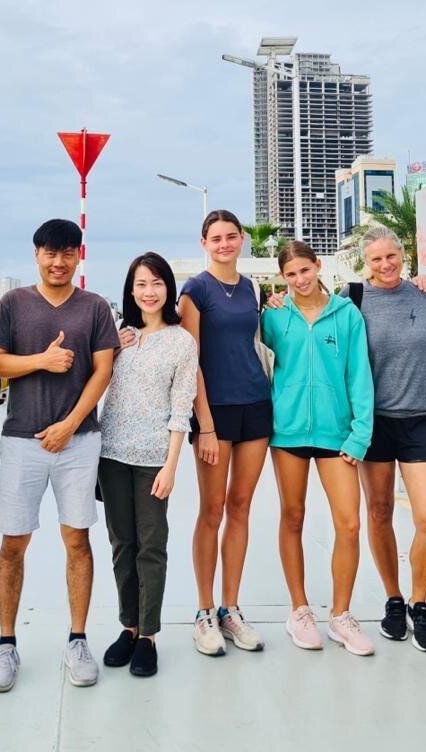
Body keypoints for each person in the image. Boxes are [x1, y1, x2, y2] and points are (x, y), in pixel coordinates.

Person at [0, 219, 120, 690]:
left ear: (78, 256)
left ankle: (77, 639)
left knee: (77, 540)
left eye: (67, 253)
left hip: (79, 442)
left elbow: (103, 371)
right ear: (36, 255)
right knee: (12, 543)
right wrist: (41, 360)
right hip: (21, 440)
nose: (58, 262)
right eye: (49, 253)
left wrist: (69, 425)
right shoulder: (13, 303)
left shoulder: (95, 307)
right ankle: (6, 644)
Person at [340, 226, 426, 653]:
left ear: (402, 255)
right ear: (366, 263)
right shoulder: (353, 298)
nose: (385, 264)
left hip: (419, 419)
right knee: (379, 512)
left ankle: (420, 603)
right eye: (376, 259)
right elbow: (318, 328)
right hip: (372, 423)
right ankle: (394, 599)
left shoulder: (420, 294)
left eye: (391, 256)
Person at [262, 241, 375, 655]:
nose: (299, 280)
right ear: (283, 278)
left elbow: (359, 375)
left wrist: (360, 434)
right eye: (291, 275)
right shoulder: (274, 316)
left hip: (337, 434)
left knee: (349, 524)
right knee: (292, 516)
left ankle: (341, 615)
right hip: (288, 432)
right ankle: (299, 610)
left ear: (317, 266)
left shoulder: (347, 315)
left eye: (304, 271)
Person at [97, 253, 198, 677]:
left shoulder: (181, 342)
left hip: (154, 458)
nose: (149, 292)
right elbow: (94, 383)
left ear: (168, 288)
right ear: (130, 290)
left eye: (156, 283)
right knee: (122, 544)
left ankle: (149, 636)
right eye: (141, 284)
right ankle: (129, 625)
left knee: (151, 545)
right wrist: (111, 351)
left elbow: (181, 408)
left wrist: (171, 466)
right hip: (111, 455)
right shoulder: (119, 336)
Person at [179, 209, 272, 656]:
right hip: (214, 411)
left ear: (241, 240)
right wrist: (206, 425)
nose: (224, 244)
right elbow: (191, 359)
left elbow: (256, 340)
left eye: (231, 236)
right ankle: (204, 611)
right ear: (204, 243)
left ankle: (230, 609)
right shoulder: (195, 290)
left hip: (256, 404)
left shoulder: (252, 288)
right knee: (212, 509)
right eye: (215, 238)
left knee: (240, 507)